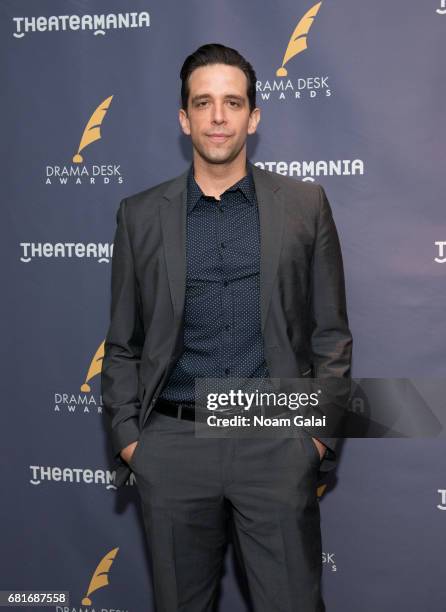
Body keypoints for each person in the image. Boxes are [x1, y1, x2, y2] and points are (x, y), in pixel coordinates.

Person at [101, 43, 352, 612]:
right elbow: (122, 343)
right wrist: (133, 442)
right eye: (204, 102)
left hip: (275, 440)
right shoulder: (139, 215)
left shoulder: (305, 205)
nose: (219, 117)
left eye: (233, 102)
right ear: (184, 118)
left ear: (253, 117)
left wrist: (312, 440)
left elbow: (331, 335)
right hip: (172, 444)